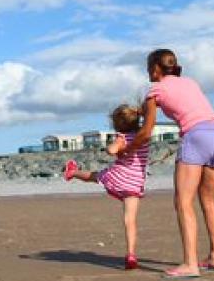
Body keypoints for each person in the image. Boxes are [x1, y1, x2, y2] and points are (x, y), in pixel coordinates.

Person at [141, 49, 214, 279]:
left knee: (183, 202)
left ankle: (190, 264)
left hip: (196, 136)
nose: (148, 72)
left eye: (149, 67)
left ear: (156, 68)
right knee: (208, 199)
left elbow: (146, 131)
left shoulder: (155, 90)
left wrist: (127, 149)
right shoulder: (190, 82)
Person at [63, 105, 150, 270]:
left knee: (94, 176)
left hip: (118, 177)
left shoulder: (122, 137)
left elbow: (111, 150)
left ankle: (72, 172)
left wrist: (116, 147)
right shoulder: (144, 137)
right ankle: (131, 254)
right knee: (130, 220)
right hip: (135, 183)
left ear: (117, 125)